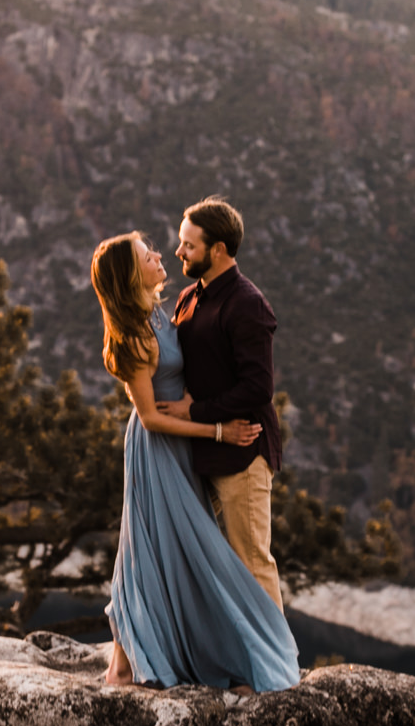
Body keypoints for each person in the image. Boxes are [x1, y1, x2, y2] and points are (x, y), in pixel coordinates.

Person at [89, 229, 301, 693]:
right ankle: (130, 662)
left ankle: (162, 655)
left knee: (174, 551)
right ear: (131, 274)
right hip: (159, 450)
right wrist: (219, 430)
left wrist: (204, 406)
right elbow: (150, 419)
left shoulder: (161, 314)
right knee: (147, 549)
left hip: (184, 449)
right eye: (148, 255)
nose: (161, 255)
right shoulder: (133, 338)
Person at [157, 197, 284, 609]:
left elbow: (258, 389)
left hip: (243, 455)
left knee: (251, 565)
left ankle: (275, 672)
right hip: (202, 451)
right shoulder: (189, 297)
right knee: (206, 565)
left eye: (188, 246)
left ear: (218, 250)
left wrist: (194, 412)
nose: (179, 252)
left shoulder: (247, 304)